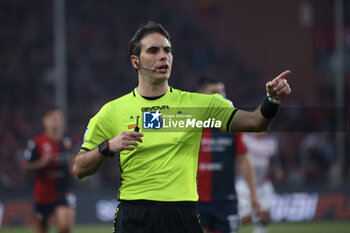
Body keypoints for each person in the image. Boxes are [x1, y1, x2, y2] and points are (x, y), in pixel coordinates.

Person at [72, 21, 291, 233]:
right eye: (153, 50)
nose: (163, 56)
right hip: (134, 215)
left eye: (167, 50)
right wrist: (108, 147)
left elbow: (255, 122)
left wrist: (271, 101)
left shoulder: (198, 105)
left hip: (181, 214)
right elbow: (80, 168)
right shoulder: (112, 111)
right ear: (135, 61)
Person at [196, 77, 260, 233]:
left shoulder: (232, 125)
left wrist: (253, 194)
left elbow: (243, 159)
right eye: (214, 92)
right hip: (195, 202)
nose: (221, 96)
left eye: (222, 91)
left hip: (226, 201)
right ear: (200, 95)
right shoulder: (189, 124)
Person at [23, 107, 76, 233]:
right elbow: (25, 167)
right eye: (53, 119)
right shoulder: (36, 143)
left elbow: (75, 161)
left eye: (59, 119)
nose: (56, 122)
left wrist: (74, 167)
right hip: (43, 193)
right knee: (42, 228)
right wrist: (41, 163)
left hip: (64, 190)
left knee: (65, 226)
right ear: (45, 121)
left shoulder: (68, 141)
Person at [235, 132, 283, 233]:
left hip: (263, 182)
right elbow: (238, 156)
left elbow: (274, 160)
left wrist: (277, 170)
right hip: (245, 183)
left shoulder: (272, 142)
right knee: (245, 219)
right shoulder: (245, 139)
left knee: (265, 214)